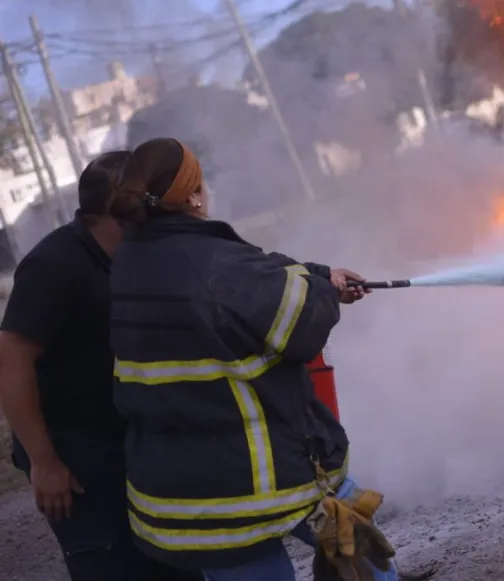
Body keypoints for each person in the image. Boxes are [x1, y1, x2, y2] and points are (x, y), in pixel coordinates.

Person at [107, 137, 399, 581]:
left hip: (197, 503)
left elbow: (252, 278)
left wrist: (320, 275)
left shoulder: (133, 259)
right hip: (271, 481)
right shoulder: (212, 264)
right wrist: (325, 292)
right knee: (368, 569)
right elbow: (296, 324)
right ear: (192, 195)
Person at [0, 151, 203, 581]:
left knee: (175, 560)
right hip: (77, 453)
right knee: (115, 564)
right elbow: (11, 357)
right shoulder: (55, 265)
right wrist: (44, 461)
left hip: (132, 436)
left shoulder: (138, 254)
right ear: (119, 205)